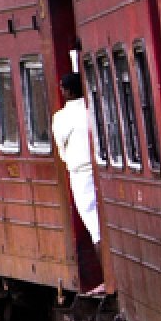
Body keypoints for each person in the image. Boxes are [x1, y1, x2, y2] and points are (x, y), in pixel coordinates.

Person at [50, 70, 104, 264]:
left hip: (81, 173)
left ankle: (106, 275)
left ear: (69, 91)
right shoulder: (94, 109)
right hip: (102, 169)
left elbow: (61, 148)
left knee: (95, 227)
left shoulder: (62, 117)